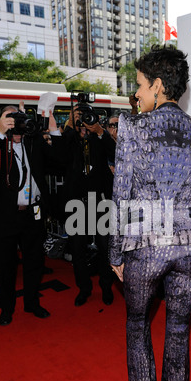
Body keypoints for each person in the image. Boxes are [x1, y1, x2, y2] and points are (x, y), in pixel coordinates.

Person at [109, 45, 191, 381]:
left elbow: (121, 197)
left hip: (145, 248)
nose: (135, 94)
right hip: (188, 247)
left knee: (137, 325)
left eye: (139, 85)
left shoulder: (133, 127)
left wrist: (116, 253)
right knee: (178, 335)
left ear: (157, 85)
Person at [0, 104, 57, 326]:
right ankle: (7, 308)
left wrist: (53, 129)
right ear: (1, 120)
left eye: (18, 118)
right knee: (5, 266)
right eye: (9, 117)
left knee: (35, 262)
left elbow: (58, 161)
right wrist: (0, 133)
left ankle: (32, 303)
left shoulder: (33, 141)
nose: (15, 122)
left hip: (34, 213)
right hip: (6, 215)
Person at [49, 106, 116, 307]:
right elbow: (58, 157)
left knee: (105, 248)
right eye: (79, 116)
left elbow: (115, 153)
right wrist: (69, 126)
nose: (84, 120)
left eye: (86, 116)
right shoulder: (70, 139)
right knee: (78, 249)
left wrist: (98, 131)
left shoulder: (100, 137)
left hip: (102, 200)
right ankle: (84, 288)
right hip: (77, 201)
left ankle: (106, 286)